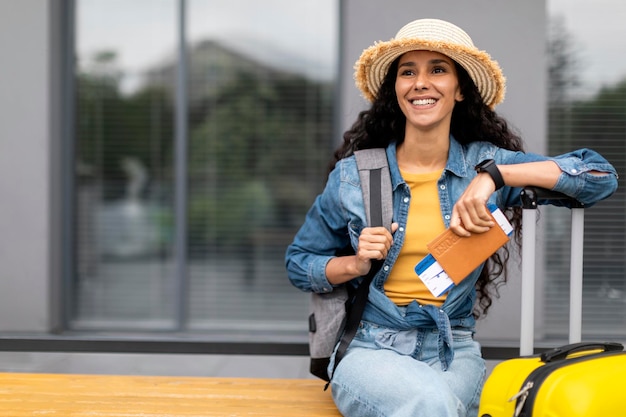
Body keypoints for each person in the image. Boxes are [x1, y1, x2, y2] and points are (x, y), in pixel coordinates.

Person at [285, 18, 618, 417]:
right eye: (408, 71)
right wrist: (354, 263)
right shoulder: (356, 175)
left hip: (452, 350)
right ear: (397, 89)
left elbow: (598, 176)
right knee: (432, 404)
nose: (420, 82)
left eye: (437, 70)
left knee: (436, 405)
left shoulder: (484, 163)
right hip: (371, 347)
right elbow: (299, 262)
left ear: (460, 89)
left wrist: (495, 176)